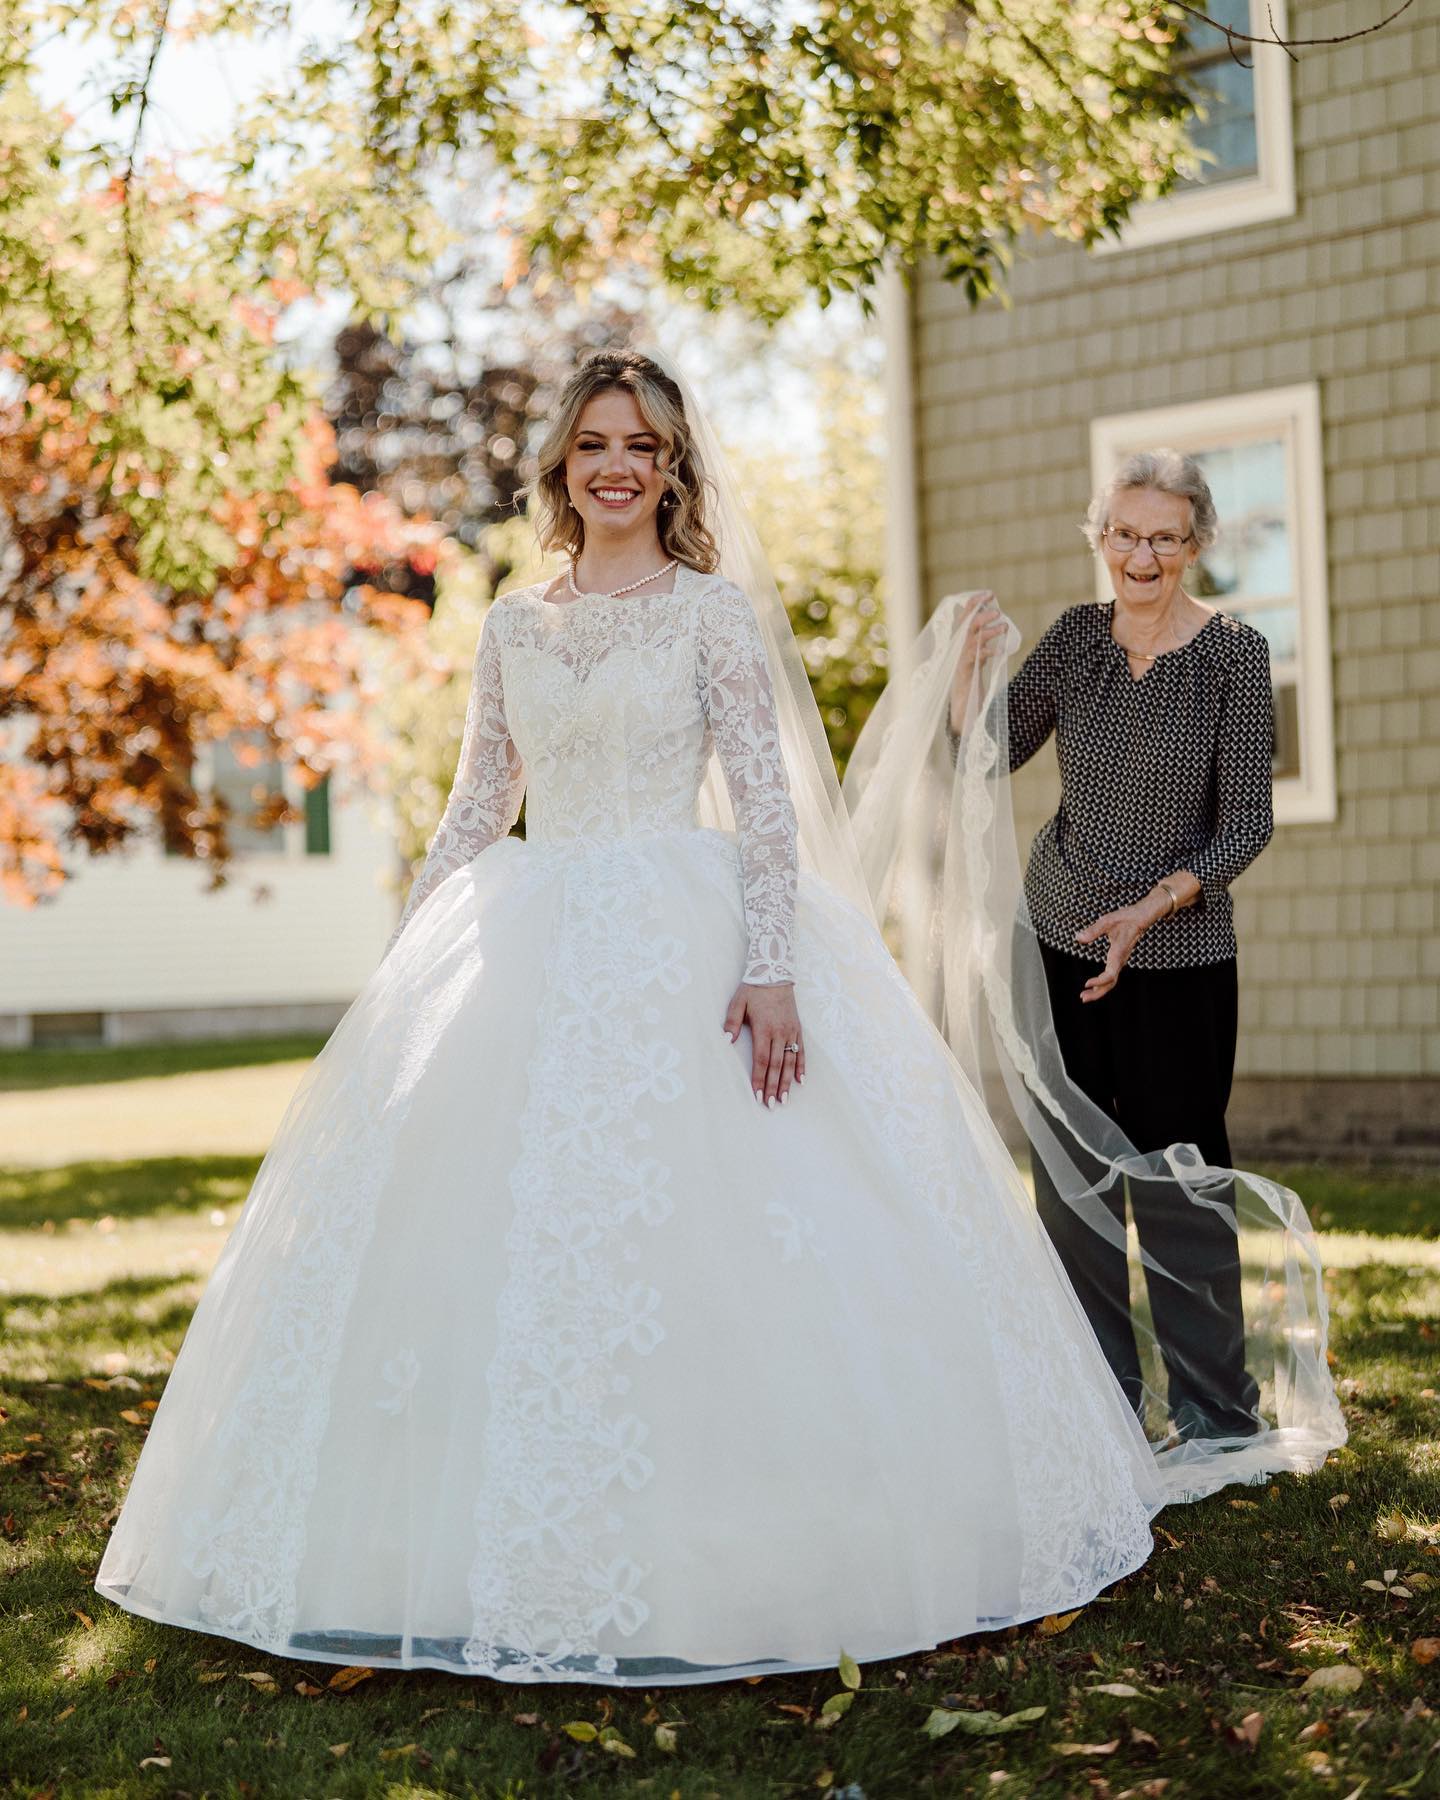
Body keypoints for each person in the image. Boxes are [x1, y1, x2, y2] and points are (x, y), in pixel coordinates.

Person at [95, 349, 1167, 1684]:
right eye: (598, 442)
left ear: (671, 472)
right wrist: (403, 967)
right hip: (531, 936)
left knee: (713, 1228)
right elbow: (477, 805)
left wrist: (770, 967)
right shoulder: (511, 628)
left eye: (644, 447)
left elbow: (768, 805)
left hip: (688, 930)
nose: (618, 466)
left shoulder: (710, 614)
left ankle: (754, 1531)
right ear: (563, 466)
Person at [946, 451, 1271, 1442]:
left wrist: (1152, 909)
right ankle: (1107, 1415)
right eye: (1126, 534)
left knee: (1180, 1177)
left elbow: (1246, 825)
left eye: (1165, 537)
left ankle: (1218, 1412)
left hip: (1181, 957)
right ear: (1101, 539)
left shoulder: (1234, 657)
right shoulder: (1079, 642)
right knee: (1074, 1182)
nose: (1143, 554)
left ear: (1195, 546)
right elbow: (990, 751)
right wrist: (968, 669)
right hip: (1058, 937)